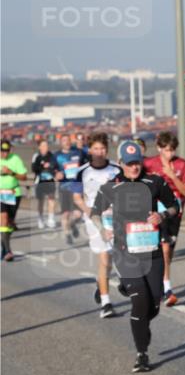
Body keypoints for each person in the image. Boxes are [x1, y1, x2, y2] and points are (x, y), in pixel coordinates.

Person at [89, 140, 179, 372]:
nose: (134, 168)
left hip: (152, 252)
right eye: (129, 164)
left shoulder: (155, 182)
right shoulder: (112, 186)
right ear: (120, 164)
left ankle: (135, 304)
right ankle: (142, 354)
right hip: (125, 253)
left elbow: (174, 205)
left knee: (154, 304)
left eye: (137, 162)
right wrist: (102, 229)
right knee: (140, 301)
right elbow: (95, 212)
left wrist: (162, 216)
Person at [74, 132, 123, 318]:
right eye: (95, 149)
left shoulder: (117, 169)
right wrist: (91, 213)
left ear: (107, 150)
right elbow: (77, 198)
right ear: (89, 150)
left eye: (102, 148)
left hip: (116, 218)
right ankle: (106, 304)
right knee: (104, 257)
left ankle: (101, 283)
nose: (99, 152)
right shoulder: (82, 172)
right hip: (94, 220)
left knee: (114, 258)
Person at [143, 130, 185, 307]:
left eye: (172, 150)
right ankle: (167, 289)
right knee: (161, 249)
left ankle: (160, 279)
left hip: (174, 212)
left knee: (168, 252)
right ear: (159, 148)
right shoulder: (149, 164)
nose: (170, 154)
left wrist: (172, 176)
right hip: (155, 212)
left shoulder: (181, 165)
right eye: (166, 150)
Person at [54, 134, 86, 245]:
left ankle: (72, 224)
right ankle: (67, 234)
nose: (66, 142)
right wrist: (56, 174)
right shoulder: (56, 155)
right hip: (64, 188)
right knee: (65, 214)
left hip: (76, 186)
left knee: (78, 214)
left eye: (68, 140)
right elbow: (52, 170)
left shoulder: (78, 152)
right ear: (60, 143)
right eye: (64, 140)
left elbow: (86, 165)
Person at [0, 139, 28, 261]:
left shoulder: (15, 159)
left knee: (10, 223)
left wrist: (11, 173)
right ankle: (7, 250)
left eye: (7, 151)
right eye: (2, 151)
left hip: (14, 193)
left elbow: (24, 177)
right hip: (1, 194)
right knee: (4, 219)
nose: (5, 154)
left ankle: (4, 245)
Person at [31, 139, 59, 229]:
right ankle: (40, 218)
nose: (45, 147)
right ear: (39, 147)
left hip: (50, 180)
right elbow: (34, 168)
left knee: (51, 198)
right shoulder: (36, 156)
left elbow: (55, 166)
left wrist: (50, 167)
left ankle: (51, 219)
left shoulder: (52, 155)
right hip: (40, 180)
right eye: (43, 146)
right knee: (41, 200)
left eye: (46, 145)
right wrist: (42, 166)